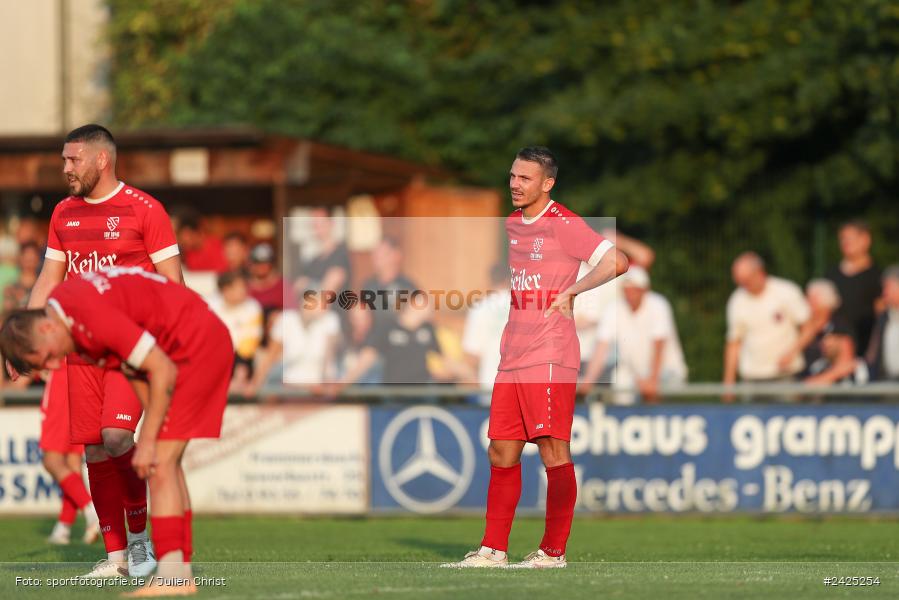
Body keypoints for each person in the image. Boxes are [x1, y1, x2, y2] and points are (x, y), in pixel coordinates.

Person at [444, 146, 627, 569]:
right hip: (513, 354)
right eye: (512, 176)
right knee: (501, 451)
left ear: (548, 184)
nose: (514, 184)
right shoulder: (512, 224)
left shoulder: (564, 223)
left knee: (551, 449)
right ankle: (493, 550)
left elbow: (617, 261)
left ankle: (553, 552)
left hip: (550, 353)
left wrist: (573, 291)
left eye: (525, 178)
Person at [0, 267, 233, 597]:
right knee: (167, 462)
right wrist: (151, 430)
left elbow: (160, 367)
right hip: (186, 340)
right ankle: (179, 570)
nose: (54, 367)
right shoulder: (67, 314)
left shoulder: (85, 316)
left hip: (192, 344)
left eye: (47, 357)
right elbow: (132, 367)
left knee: (162, 462)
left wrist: (149, 439)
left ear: (47, 326)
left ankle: (173, 577)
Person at [24, 124, 183, 578]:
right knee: (93, 449)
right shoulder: (62, 213)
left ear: (101, 160)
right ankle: (114, 557)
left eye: (72, 160)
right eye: (63, 159)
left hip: (130, 348)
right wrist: (22, 338)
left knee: (116, 438)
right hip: (80, 350)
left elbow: (174, 285)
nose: (65, 168)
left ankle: (139, 545)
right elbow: (48, 281)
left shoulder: (145, 210)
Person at [579, 266, 687, 404]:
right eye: (626, 290)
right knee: (621, 382)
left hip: (666, 371)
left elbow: (659, 345)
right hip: (634, 375)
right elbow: (601, 347)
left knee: (654, 394)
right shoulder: (614, 308)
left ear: (644, 290)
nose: (630, 294)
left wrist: (652, 380)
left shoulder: (658, 305)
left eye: (634, 290)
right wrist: (588, 381)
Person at [723, 252, 810, 393]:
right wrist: (729, 383)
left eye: (746, 280)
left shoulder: (786, 291)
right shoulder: (737, 300)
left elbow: (808, 327)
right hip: (751, 378)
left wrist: (792, 352)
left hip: (785, 376)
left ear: (759, 273)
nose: (743, 285)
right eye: (739, 281)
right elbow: (734, 342)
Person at [779, 279, 857, 386]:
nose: (806, 302)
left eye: (812, 299)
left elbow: (846, 364)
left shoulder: (839, 327)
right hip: (796, 381)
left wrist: (815, 382)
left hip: (825, 388)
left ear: (826, 302)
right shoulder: (801, 326)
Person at [826, 220, 881, 356]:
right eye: (842, 238)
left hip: (864, 349)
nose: (845, 242)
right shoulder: (831, 275)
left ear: (866, 239)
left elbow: (881, 315)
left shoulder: (877, 276)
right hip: (833, 352)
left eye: (850, 238)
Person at [209, 271, 264, 396]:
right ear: (226, 290)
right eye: (240, 287)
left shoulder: (252, 307)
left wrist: (239, 376)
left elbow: (249, 345)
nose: (244, 291)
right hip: (214, 358)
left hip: (241, 363)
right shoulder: (210, 306)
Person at [865, 265, 899, 381]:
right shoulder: (884, 317)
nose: (884, 292)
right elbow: (873, 353)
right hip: (886, 382)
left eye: (887, 287)